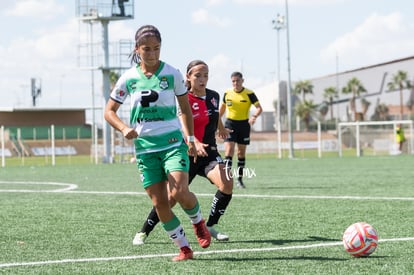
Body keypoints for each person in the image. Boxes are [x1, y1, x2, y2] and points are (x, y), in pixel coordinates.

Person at [104, 25, 210, 262]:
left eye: (156, 49)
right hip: (145, 149)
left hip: (173, 143)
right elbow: (109, 111)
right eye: (146, 49)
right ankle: (184, 249)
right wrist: (123, 128)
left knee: (180, 191)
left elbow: (184, 109)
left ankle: (198, 223)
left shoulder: (172, 73)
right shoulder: (129, 78)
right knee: (160, 204)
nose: (152, 54)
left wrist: (190, 139)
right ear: (137, 49)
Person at [133, 60, 234, 245]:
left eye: (206, 75)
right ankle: (144, 231)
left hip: (209, 153)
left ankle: (209, 226)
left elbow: (215, 114)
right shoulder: (183, 98)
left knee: (227, 182)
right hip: (186, 154)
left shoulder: (214, 96)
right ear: (188, 77)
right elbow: (179, 123)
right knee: (168, 200)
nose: (202, 79)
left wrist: (221, 128)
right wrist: (193, 141)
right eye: (198, 75)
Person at [219, 72, 262, 188]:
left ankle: (239, 180)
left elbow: (259, 108)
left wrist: (254, 117)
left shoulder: (249, 93)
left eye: (237, 80)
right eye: (233, 81)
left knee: (241, 153)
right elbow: (221, 110)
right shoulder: (227, 93)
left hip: (244, 125)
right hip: (230, 124)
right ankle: (226, 179)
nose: (235, 83)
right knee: (229, 151)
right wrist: (217, 124)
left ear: (242, 81)